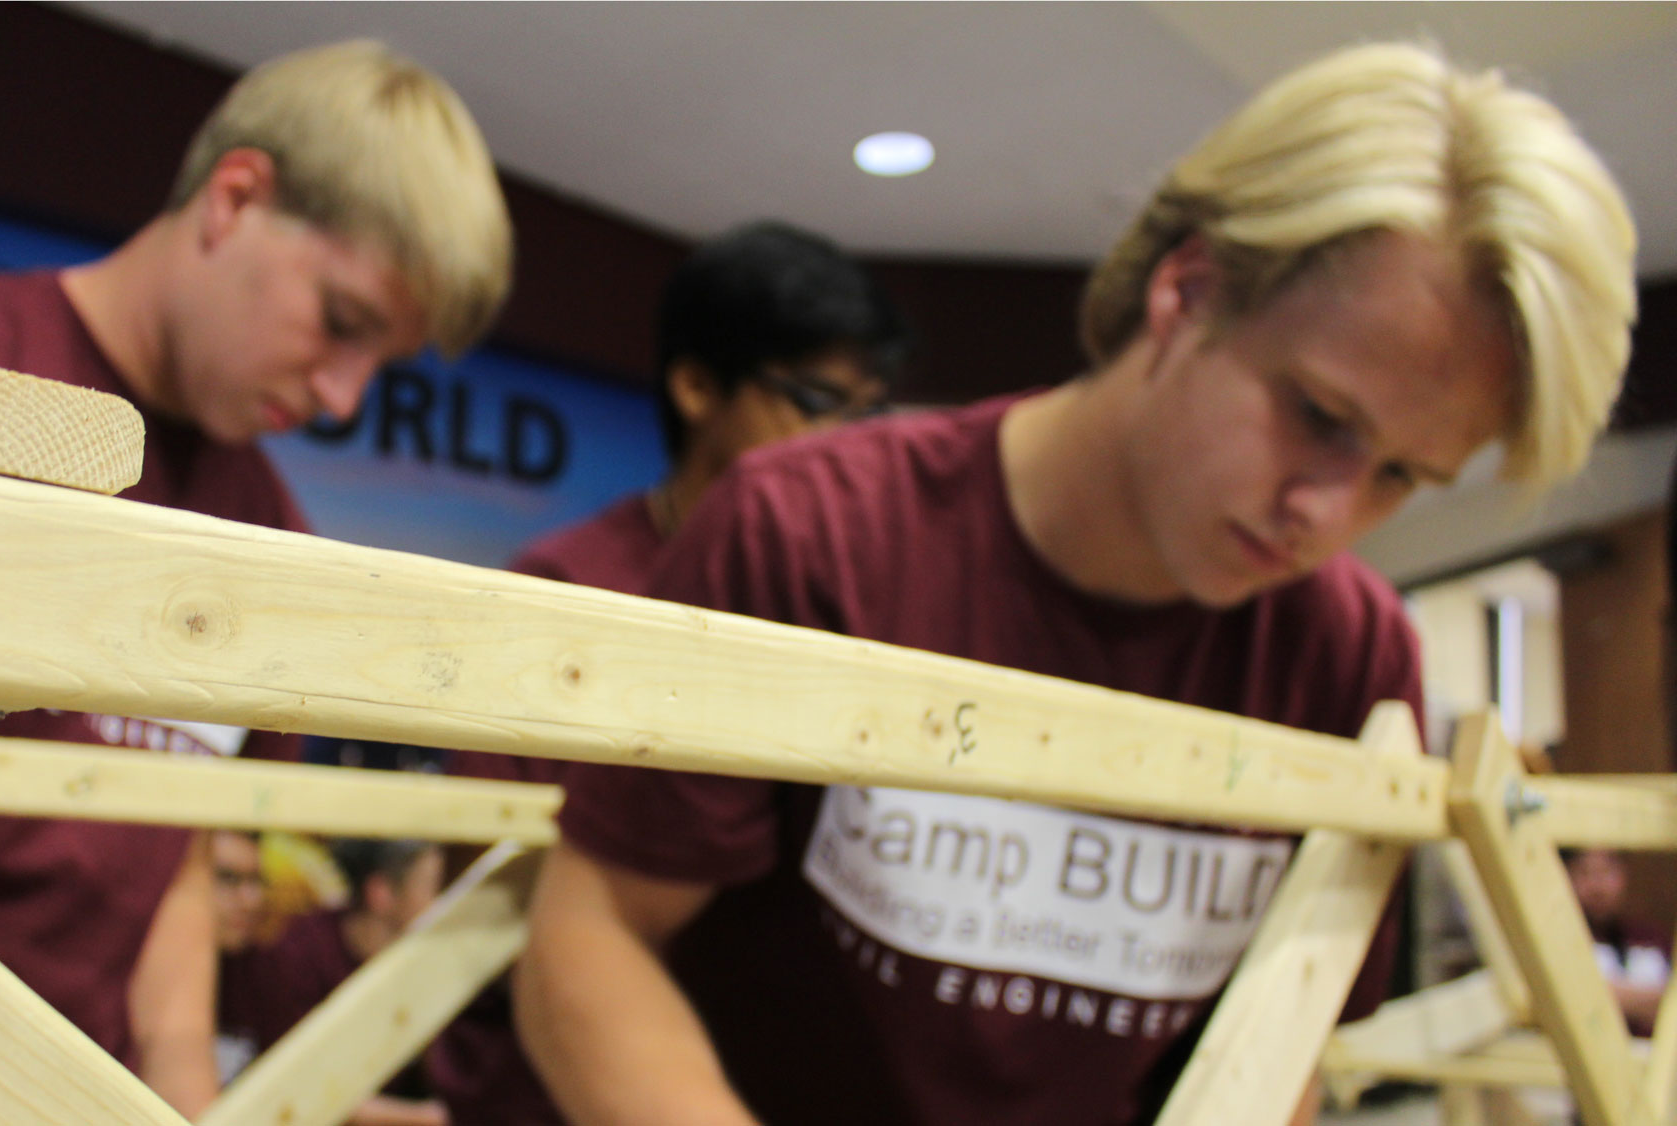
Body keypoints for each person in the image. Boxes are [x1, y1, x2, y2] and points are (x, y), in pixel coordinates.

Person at [514, 42, 1637, 1126]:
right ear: (1186, 288)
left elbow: (1271, 1050)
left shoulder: (1347, 658)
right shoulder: (810, 529)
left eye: (1399, 474)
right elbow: (592, 936)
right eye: (1317, 417)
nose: (1326, 514)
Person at [0, 40, 510, 1117]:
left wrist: (175, 1094)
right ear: (234, 198)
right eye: (340, 323)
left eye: (379, 363)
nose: (345, 397)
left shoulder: (265, 528)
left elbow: (170, 863)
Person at [430, 221, 906, 1126]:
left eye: (867, 414)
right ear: (696, 387)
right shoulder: (564, 592)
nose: (848, 445)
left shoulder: (849, 608)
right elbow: (485, 888)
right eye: (814, 400)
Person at [219, 838, 450, 1126]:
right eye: (432, 888)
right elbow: (291, 1089)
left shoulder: (427, 965)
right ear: (381, 893)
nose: (443, 905)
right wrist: (430, 1118)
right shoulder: (297, 954)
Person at [1564, 846, 1670, 1036]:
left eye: (1607, 871)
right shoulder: (1560, 941)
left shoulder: (1652, 938)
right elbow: (1567, 998)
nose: (1598, 886)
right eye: (1584, 872)